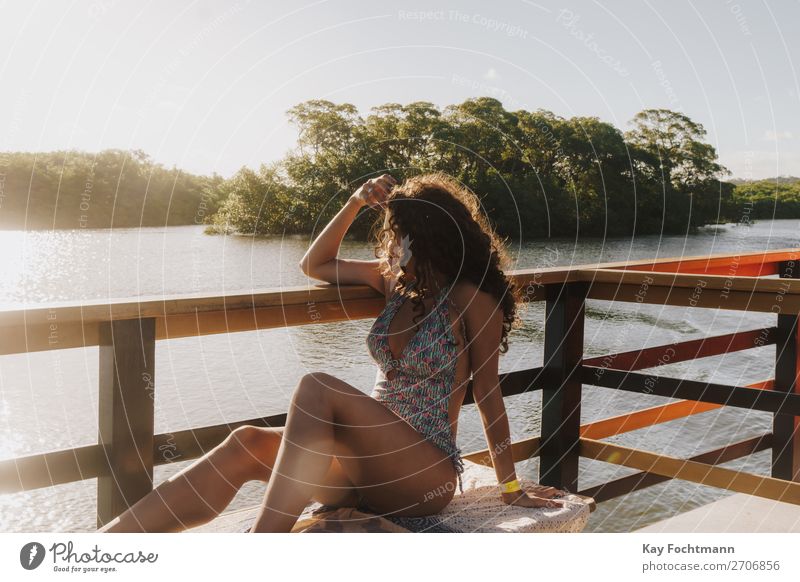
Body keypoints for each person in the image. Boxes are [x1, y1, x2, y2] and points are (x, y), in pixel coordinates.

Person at [98, 172, 564, 534]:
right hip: (364, 468)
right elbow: (314, 264)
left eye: (400, 233)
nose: (392, 242)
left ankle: (260, 551)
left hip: (424, 473)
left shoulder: (470, 297)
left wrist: (510, 487)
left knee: (318, 388)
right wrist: (356, 200)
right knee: (246, 443)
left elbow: (488, 394)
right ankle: (105, 544)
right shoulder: (395, 284)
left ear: (428, 235)